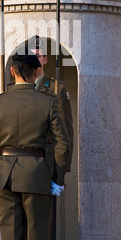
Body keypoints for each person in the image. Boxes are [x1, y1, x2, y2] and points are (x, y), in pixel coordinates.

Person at [0, 48, 69, 240]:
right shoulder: (48, 101)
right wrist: (57, 178)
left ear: (12, 71)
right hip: (37, 175)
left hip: (5, 177)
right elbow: (62, 143)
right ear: (37, 72)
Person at [29, 35, 74, 172]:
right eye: (30, 56)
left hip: (48, 162)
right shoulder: (18, 88)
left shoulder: (57, 88)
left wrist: (62, 168)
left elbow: (66, 129)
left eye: (37, 56)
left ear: (45, 59)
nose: (33, 60)